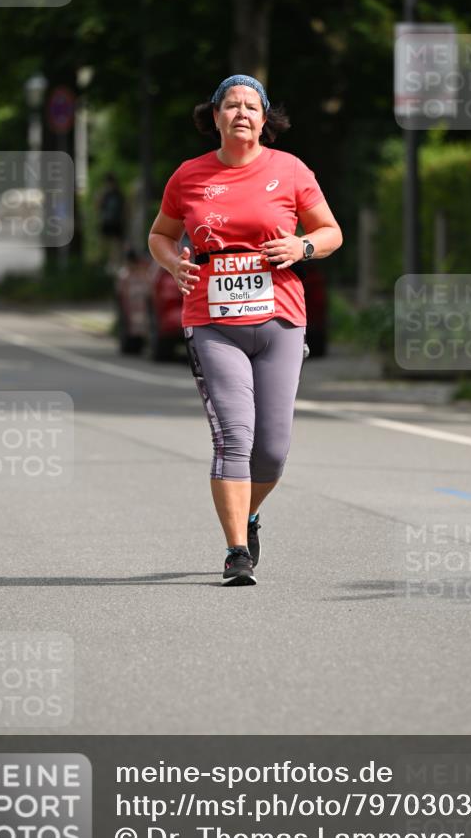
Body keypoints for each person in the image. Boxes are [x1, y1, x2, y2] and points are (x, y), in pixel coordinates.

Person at [148, 74, 342, 586]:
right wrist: (173, 264)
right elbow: (160, 235)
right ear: (214, 117)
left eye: (251, 107)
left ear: (264, 118)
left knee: (272, 449)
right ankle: (237, 550)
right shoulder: (188, 176)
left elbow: (330, 232)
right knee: (234, 437)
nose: (241, 113)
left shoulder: (291, 170)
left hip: (279, 317)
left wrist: (302, 248)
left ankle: (249, 513)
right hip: (212, 321)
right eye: (230, 105)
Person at [96, 173, 126, 270]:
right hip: (106, 221)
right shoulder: (105, 194)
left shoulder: (118, 194)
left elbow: (125, 208)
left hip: (117, 222)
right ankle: (105, 262)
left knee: (116, 244)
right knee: (105, 243)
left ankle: (115, 263)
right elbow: (97, 206)